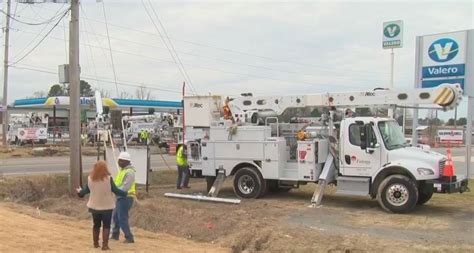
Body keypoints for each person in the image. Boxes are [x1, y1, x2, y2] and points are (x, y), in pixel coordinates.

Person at [77, 161, 127, 251]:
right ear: (105, 168)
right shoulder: (109, 179)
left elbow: (83, 192)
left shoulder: (90, 179)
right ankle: (105, 245)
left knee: (96, 225)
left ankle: (95, 243)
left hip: (94, 207)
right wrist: (126, 193)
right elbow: (116, 191)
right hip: (107, 207)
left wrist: (79, 192)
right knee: (106, 226)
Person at [111, 152, 136, 243]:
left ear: (126, 161)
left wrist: (114, 190)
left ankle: (129, 237)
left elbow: (125, 187)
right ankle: (115, 234)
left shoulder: (129, 172)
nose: (118, 162)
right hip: (120, 197)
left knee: (122, 218)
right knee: (115, 217)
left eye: (120, 160)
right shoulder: (123, 171)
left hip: (126, 197)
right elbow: (117, 184)